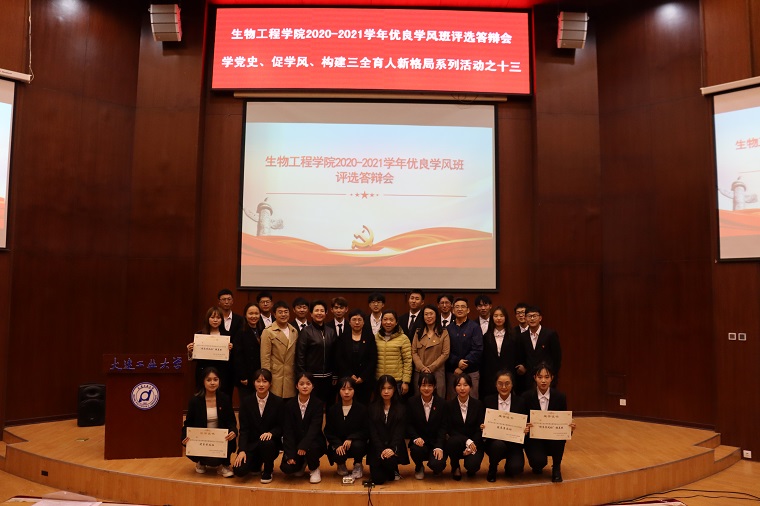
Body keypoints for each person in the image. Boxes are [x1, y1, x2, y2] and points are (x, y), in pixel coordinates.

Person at [522, 362, 575, 483]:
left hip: (553, 438)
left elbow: (564, 422)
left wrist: (569, 428)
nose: (543, 381)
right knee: (538, 463)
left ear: (552, 378)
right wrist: (525, 425)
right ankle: (538, 464)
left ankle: (556, 467)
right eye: (540, 377)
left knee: (560, 437)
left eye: (547, 377)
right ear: (535, 378)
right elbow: (523, 420)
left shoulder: (560, 397)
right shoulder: (526, 397)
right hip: (534, 439)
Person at [181, 367, 238, 478]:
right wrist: (184, 437)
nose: (212, 383)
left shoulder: (225, 399)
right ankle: (201, 462)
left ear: (219, 381)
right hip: (202, 439)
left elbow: (232, 422)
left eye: (215, 379)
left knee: (228, 441)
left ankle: (223, 465)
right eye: (209, 380)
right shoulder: (195, 401)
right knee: (209, 460)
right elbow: (188, 423)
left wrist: (233, 431)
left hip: (220, 439)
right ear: (203, 382)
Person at [233, 368, 283, 484]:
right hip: (251, 445)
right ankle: (256, 464)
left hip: (270, 445)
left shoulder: (278, 402)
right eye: (258, 381)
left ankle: (268, 470)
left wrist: (271, 433)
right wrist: (242, 450)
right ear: (253, 383)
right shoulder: (246, 402)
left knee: (267, 442)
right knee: (239, 471)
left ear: (270, 384)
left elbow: (281, 427)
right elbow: (244, 430)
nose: (261, 385)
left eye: (264, 381)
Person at [280, 372, 327, 484]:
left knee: (312, 447)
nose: (305, 386)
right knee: (287, 468)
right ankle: (302, 462)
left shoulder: (318, 404)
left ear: (313, 386)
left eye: (308, 384)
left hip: (313, 441)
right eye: (301, 384)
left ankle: (314, 468)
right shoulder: (289, 405)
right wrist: (290, 454)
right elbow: (288, 431)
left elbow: (314, 428)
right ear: (296, 386)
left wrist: (304, 445)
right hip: (296, 443)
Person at [482, 369, 526, 482]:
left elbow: (525, 422)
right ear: (495, 385)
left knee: (516, 469)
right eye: (500, 384)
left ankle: (509, 466)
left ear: (512, 384)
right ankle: (492, 468)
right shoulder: (488, 401)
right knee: (498, 446)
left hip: (514, 444)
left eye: (507, 383)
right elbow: (483, 421)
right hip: (494, 443)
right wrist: (483, 426)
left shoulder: (520, 402)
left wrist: (525, 429)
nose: (504, 387)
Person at [367, 375, 409, 484]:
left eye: (389, 388)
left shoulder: (401, 408)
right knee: (378, 480)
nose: (386, 391)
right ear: (379, 389)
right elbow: (373, 433)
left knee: (390, 471)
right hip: (377, 448)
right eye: (383, 388)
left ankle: (393, 469)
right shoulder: (372, 407)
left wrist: (391, 449)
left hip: (393, 448)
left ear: (394, 389)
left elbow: (399, 433)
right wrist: (381, 449)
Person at [324, 377, 369, 479]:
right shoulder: (333, 409)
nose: (346, 392)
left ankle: (358, 464)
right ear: (339, 391)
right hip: (339, 443)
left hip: (355, 442)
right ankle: (340, 464)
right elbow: (328, 431)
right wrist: (337, 444)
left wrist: (351, 438)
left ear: (354, 391)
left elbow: (366, 430)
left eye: (350, 389)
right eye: (343, 389)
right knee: (338, 452)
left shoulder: (362, 409)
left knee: (358, 446)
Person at [295, 299, 338, 406]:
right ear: (311, 313)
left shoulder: (331, 331)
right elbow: (300, 356)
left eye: (322, 311)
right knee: (313, 406)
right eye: (316, 310)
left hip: (328, 377)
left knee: (329, 405)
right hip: (311, 378)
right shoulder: (306, 331)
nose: (319, 313)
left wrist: (335, 375)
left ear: (326, 313)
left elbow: (335, 355)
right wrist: (303, 377)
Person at [444, 372, 485, 480]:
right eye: (459, 385)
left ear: (470, 387)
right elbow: (450, 429)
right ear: (454, 388)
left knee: (472, 466)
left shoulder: (478, 404)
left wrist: (472, 445)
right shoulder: (449, 405)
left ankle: (471, 467)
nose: (462, 388)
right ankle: (455, 466)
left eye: (465, 385)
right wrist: (467, 441)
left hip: (474, 443)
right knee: (452, 442)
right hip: (456, 442)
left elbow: (480, 428)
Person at [187, 306, 235, 397]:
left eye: (218, 318)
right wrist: (190, 351)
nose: (215, 320)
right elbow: (195, 358)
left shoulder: (227, 335)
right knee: (202, 396)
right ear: (207, 319)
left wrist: (230, 350)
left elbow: (232, 359)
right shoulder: (200, 335)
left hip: (223, 372)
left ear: (222, 320)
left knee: (222, 397)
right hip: (203, 370)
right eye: (212, 317)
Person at [406, 372, 447, 480]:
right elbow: (408, 424)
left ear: (434, 386)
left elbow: (443, 427)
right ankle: (419, 466)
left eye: (430, 385)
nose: (426, 388)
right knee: (416, 450)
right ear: (418, 386)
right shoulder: (412, 402)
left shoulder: (442, 403)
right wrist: (415, 438)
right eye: (423, 385)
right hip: (420, 442)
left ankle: (435, 465)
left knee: (438, 465)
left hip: (435, 442)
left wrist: (439, 446)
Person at [335, 308, 377, 405]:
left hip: (365, 380)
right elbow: (339, 358)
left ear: (364, 322)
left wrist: (363, 377)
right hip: (346, 379)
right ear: (349, 322)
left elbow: (373, 359)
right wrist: (350, 375)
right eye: (354, 319)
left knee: (363, 406)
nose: (357, 322)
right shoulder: (343, 337)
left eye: (359, 320)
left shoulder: (369, 337)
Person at [445, 298, 484, 399]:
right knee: (453, 402)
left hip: (471, 371)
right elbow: (445, 350)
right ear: (453, 310)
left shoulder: (475, 327)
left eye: (463, 307)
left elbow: (477, 349)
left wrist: (462, 365)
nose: (460, 309)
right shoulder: (448, 329)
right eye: (457, 307)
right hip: (453, 372)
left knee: (472, 401)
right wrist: (457, 362)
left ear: (468, 310)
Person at [515, 306, 562, 389]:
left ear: (540, 318)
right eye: (529, 316)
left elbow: (557, 358)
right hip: (529, 381)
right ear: (525, 318)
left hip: (546, 379)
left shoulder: (550, 335)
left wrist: (552, 376)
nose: (532, 319)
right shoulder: (522, 337)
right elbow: (522, 357)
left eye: (535, 316)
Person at [260, 301, 297, 399]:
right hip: (275, 376)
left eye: (286, 312)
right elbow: (265, 358)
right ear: (274, 314)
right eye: (280, 312)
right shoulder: (268, 331)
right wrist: (266, 379)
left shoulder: (294, 331)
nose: (283, 314)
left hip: (290, 376)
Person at [411, 304, 450, 398]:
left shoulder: (443, 332)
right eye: (426, 314)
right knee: (419, 399)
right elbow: (414, 352)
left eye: (431, 314)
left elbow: (445, 353)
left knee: (439, 399)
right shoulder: (418, 332)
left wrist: (431, 368)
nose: (429, 316)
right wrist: (422, 368)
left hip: (437, 372)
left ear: (436, 315)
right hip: (420, 372)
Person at [480, 306, 517, 399]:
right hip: (490, 374)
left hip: (508, 373)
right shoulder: (486, 337)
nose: (499, 318)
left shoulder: (513, 336)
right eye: (496, 316)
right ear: (492, 318)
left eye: (501, 315)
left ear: (506, 317)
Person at [374, 309, 412, 396]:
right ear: (381, 321)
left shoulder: (403, 338)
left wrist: (405, 381)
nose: (388, 322)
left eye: (391, 320)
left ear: (396, 322)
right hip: (379, 380)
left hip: (396, 381)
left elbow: (407, 361)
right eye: (385, 319)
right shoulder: (376, 337)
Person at [233, 302, 262, 402]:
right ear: (245, 315)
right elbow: (237, 356)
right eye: (251, 313)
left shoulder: (262, 330)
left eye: (256, 313)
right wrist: (243, 376)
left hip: (259, 375)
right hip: (246, 377)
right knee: (247, 403)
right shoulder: (240, 332)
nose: (254, 316)